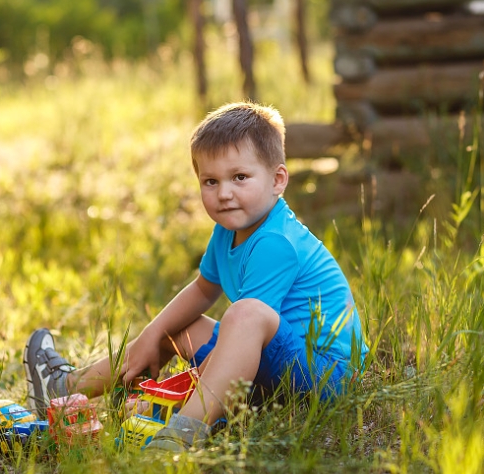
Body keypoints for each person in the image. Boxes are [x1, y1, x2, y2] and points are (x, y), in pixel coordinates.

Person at [24, 101, 368, 451]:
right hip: (278, 367)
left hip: (326, 376)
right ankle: (66, 387)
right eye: (210, 181)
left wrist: (173, 395)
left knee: (245, 312)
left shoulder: (275, 241)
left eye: (240, 178)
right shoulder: (229, 229)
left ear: (277, 180)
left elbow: (249, 329)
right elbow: (202, 291)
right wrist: (152, 334)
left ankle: (184, 430)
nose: (224, 193)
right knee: (181, 327)